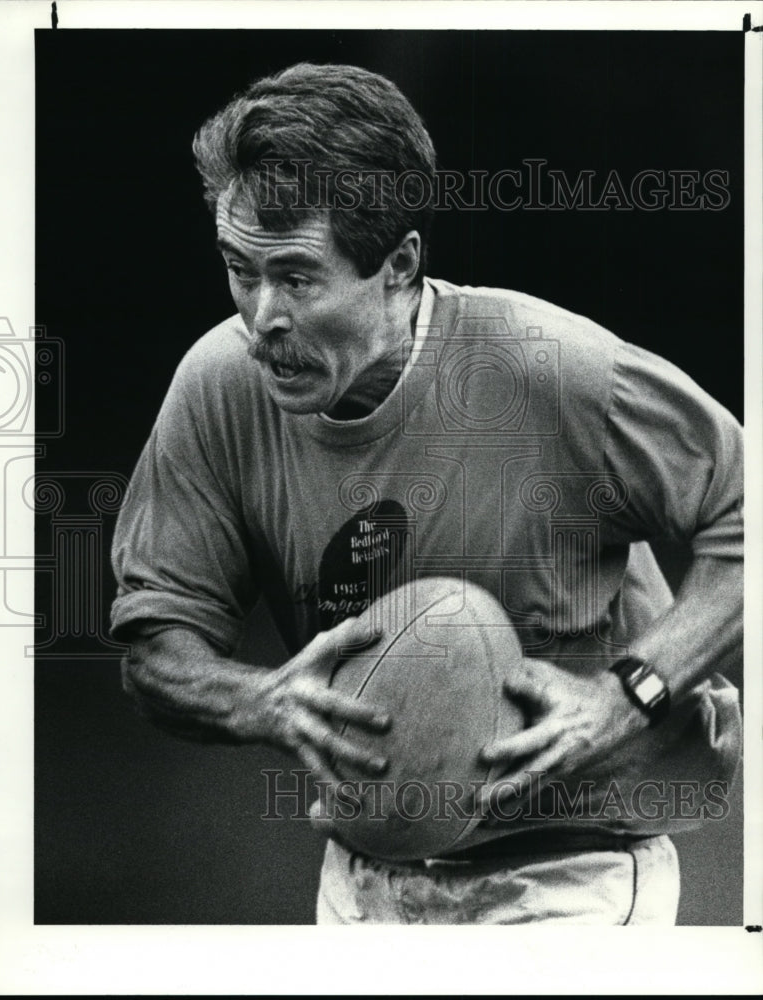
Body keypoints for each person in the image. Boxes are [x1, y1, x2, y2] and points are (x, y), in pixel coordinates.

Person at [111, 62, 743, 925]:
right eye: (238, 268)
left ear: (401, 264)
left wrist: (628, 696)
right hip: (366, 874)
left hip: (575, 871)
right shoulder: (219, 387)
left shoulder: (547, 370)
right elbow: (155, 648)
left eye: (296, 277)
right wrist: (258, 700)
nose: (261, 318)